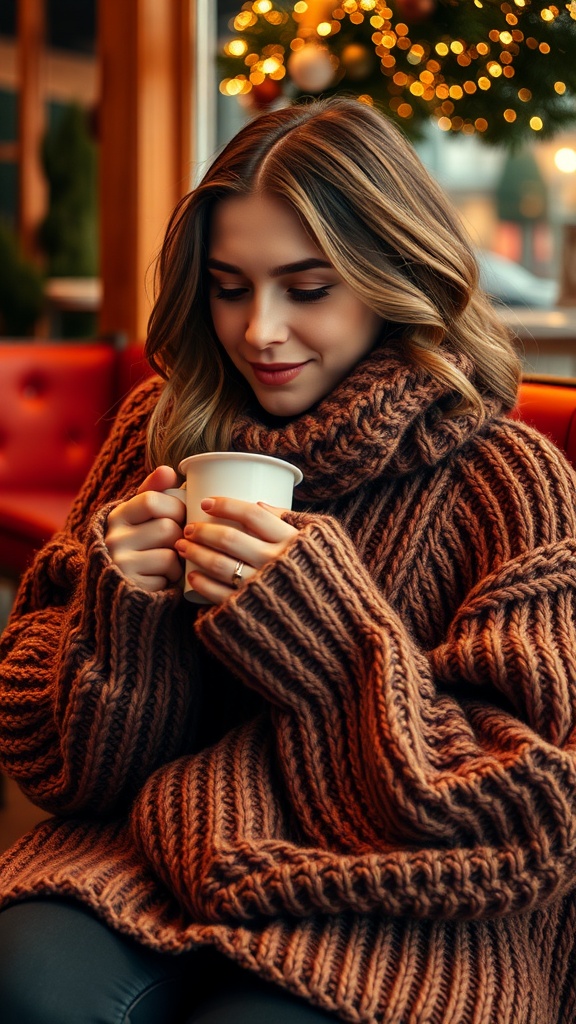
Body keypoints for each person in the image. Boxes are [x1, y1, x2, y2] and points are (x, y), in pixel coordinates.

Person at [0, 96, 575, 1024]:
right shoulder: (158, 432)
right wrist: (123, 619)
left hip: (402, 897)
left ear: (395, 275)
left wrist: (325, 638)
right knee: (23, 988)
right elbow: (53, 769)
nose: (260, 331)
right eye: (231, 287)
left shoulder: (507, 481)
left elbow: (522, 815)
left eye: (307, 290)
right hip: (147, 852)